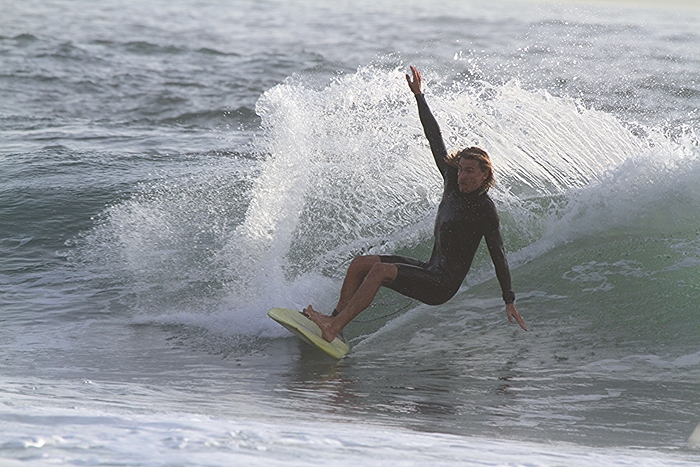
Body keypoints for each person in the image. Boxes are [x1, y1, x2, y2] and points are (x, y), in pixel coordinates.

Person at [304, 65, 527, 342]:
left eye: (470, 171)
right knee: (360, 264)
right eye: (461, 169)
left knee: (380, 271)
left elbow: (499, 255)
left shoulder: (485, 210)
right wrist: (419, 96)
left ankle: (333, 328)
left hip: (441, 285)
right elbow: (434, 137)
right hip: (429, 268)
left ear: (484, 175)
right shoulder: (452, 182)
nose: (462, 176)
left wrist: (509, 299)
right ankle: (335, 319)